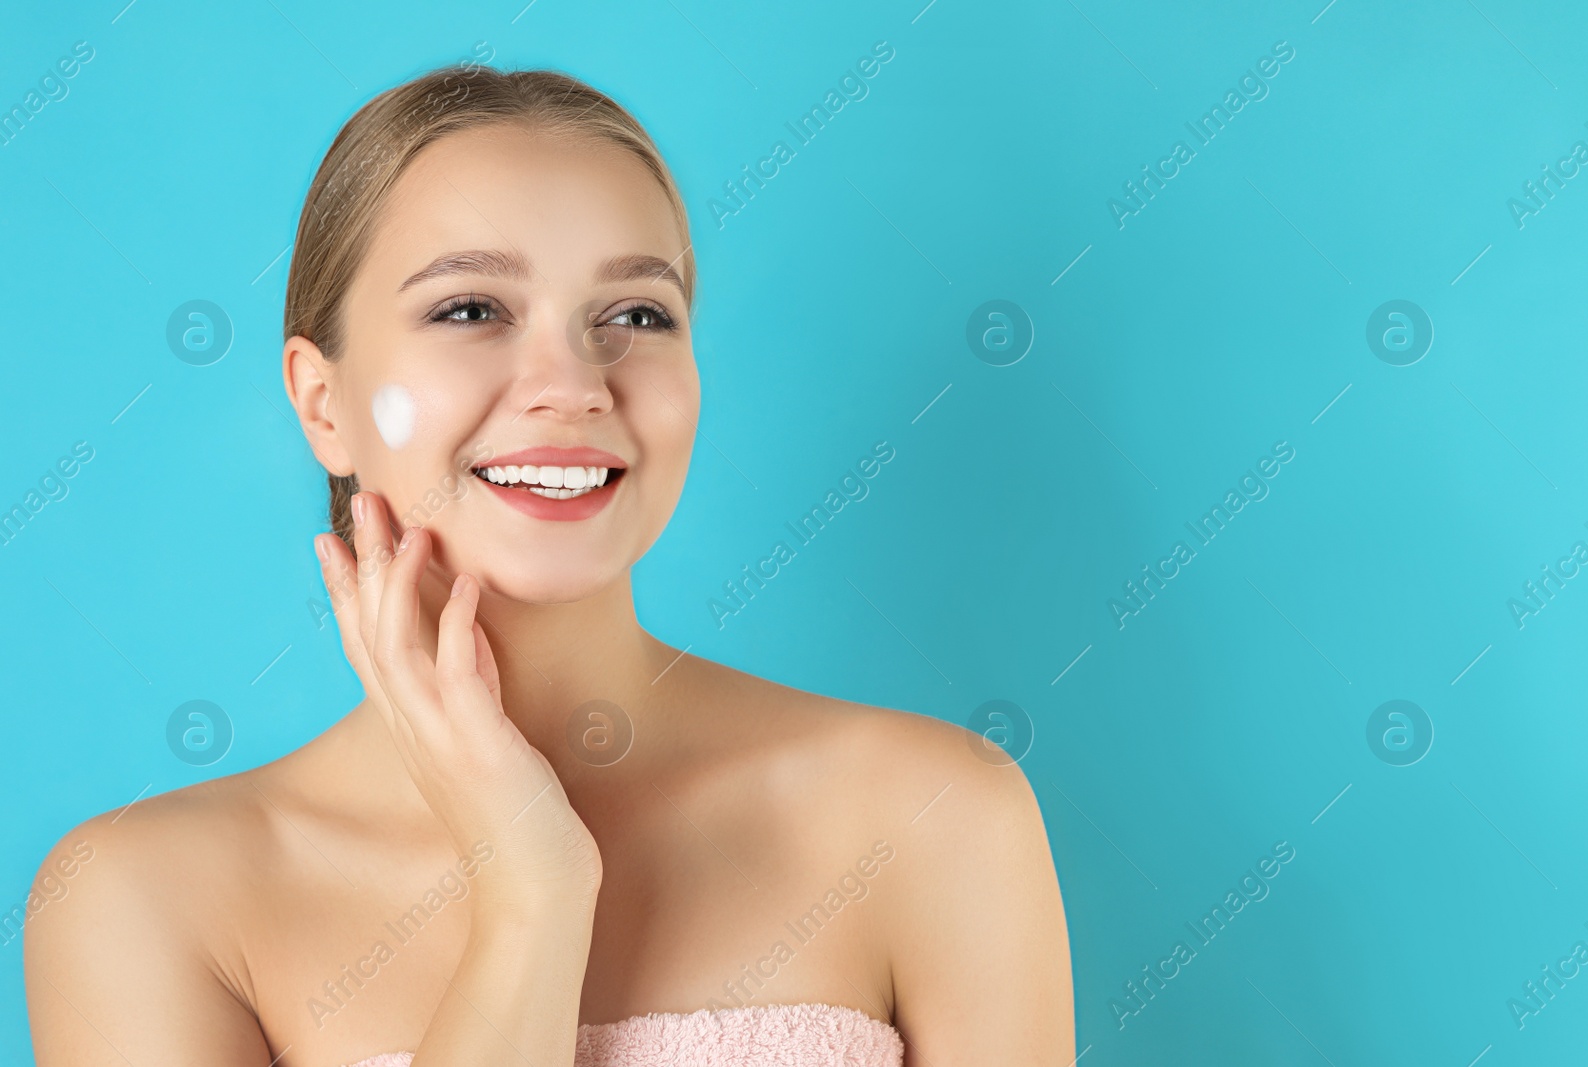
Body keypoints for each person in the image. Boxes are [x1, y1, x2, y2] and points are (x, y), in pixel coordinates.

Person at [24, 64, 1073, 1066]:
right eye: (471, 309)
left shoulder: (934, 814)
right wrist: (530, 884)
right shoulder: (145, 899)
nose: (571, 384)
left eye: (635, 315)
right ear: (320, 402)